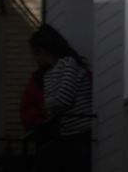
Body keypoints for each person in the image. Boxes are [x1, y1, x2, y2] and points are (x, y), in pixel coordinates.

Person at [28, 24, 91, 169]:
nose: (34, 58)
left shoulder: (69, 64)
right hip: (67, 135)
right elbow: (51, 106)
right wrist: (52, 104)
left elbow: (63, 99)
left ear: (43, 51)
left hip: (82, 133)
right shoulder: (48, 75)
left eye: (35, 54)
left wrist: (52, 104)